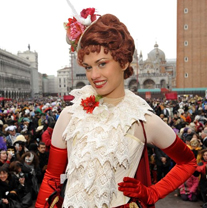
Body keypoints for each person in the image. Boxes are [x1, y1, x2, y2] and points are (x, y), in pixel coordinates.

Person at [35, 7, 197, 208]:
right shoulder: (70, 115)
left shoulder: (143, 120)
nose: (94, 75)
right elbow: (52, 178)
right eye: (88, 66)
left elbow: (188, 162)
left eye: (102, 63)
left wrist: (152, 192)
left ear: (124, 61)